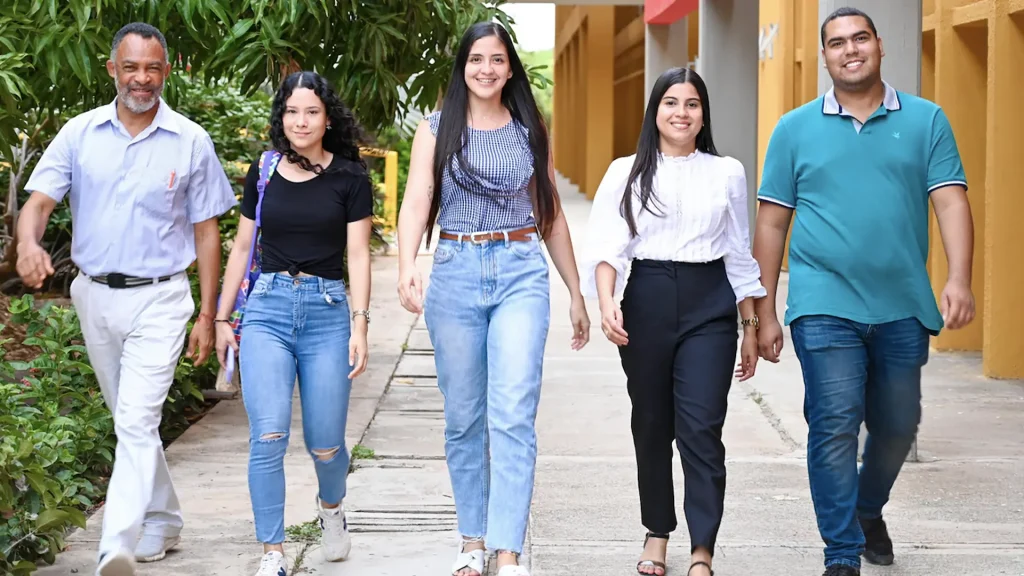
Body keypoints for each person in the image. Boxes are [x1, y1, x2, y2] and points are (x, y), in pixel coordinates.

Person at [753, 8, 974, 576]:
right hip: (822, 304)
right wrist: (763, 312)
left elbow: (949, 200)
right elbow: (772, 222)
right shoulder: (793, 129)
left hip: (902, 303)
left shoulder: (926, 120)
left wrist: (958, 277)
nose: (849, 50)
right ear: (824, 56)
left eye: (860, 39)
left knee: (898, 425)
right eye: (836, 43)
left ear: (879, 45)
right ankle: (842, 554)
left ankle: (867, 509)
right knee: (835, 420)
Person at [16, 22, 236, 576]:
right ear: (113, 69)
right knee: (128, 420)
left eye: (153, 67)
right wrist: (26, 244)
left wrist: (209, 314)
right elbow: (40, 202)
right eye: (132, 67)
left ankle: (116, 543)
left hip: (161, 299)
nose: (143, 78)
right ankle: (162, 519)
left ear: (166, 71)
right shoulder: (79, 133)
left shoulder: (189, 140)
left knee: (136, 419)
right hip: (94, 296)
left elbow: (207, 231)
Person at [395, 21, 590, 576]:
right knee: (463, 417)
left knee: (512, 413)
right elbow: (416, 201)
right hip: (455, 271)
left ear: (510, 68)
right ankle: (472, 541)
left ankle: (508, 550)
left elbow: (549, 214)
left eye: (497, 60)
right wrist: (409, 265)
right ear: (462, 65)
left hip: (520, 270)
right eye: (476, 59)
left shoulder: (532, 129)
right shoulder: (437, 128)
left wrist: (576, 291)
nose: (486, 69)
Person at [583, 67, 765, 576]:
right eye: (670, 102)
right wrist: (606, 301)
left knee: (702, 426)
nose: (681, 113)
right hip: (648, 298)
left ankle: (703, 547)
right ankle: (657, 532)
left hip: (710, 302)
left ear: (703, 113)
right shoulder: (626, 171)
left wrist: (749, 327)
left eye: (691, 104)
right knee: (652, 422)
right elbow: (607, 244)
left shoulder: (726, 171)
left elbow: (737, 252)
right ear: (655, 111)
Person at [213, 71, 372, 576]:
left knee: (326, 443)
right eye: (291, 112)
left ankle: (331, 511)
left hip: (326, 313)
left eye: (311, 112)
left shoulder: (350, 177)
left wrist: (361, 324)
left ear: (328, 118)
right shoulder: (263, 171)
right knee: (268, 435)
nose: (300, 121)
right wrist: (220, 316)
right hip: (267, 309)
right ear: (281, 117)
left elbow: (359, 255)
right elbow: (242, 247)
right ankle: (273, 553)